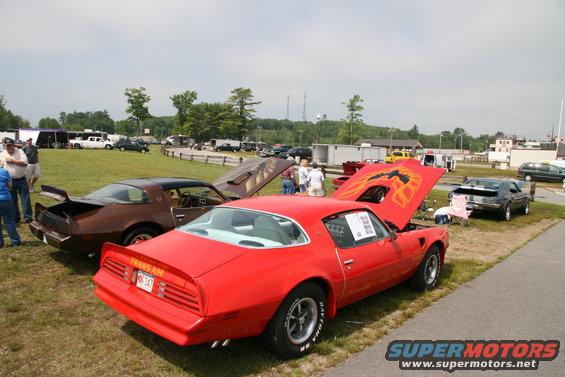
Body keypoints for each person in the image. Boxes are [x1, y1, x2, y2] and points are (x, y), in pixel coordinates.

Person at [0, 138, 32, 224]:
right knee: (12, 200)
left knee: (25, 199)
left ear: (14, 145)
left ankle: (28, 218)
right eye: (7, 145)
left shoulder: (20, 151)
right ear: (4, 146)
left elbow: (25, 163)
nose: (9, 147)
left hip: (21, 179)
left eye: (10, 145)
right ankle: (16, 218)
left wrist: (12, 160)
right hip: (9, 181)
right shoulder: (2, 154)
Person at [0, 165, 22, 247]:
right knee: (9, 221)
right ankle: (15, 241)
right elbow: (10, 186)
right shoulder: (4, 172)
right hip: (5, 199)